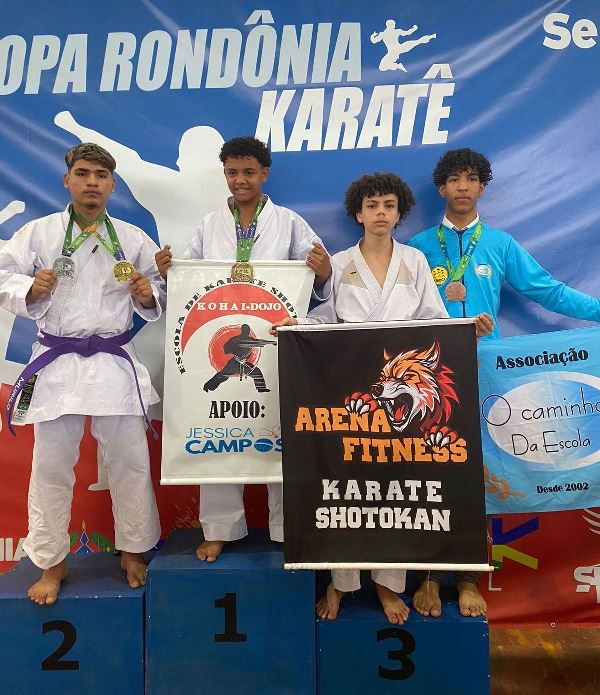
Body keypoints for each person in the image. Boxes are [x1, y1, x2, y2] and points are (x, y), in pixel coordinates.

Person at [271, 172, 493, 624]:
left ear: (399, 213)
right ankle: (340, 582)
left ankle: (388, 585)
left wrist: (465, 329)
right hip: (350, 393)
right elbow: (324, 319)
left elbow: (433, 321)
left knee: (394, 486)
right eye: (372, 205)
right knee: (345, 484)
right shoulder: (339, 263)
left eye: (389, 205)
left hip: (400, 401)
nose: (380, 213)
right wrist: (296, 328)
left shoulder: (414, 261)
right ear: (358, 213)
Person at [408, 147, 600, 618]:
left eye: (471, 178)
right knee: (431, 472)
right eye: (454, 179)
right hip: (430, 380)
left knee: (480, 475)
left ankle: (468, 578)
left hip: (484, 373)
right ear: (441, 188)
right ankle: (428, 575)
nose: (462, 187)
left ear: (482, 187)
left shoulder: (499, 244)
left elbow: (548, 291)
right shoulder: (417, 246)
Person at [155, 135, 332, 563]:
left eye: (249, 172)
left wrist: (324, 272)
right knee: (214, 427)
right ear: (224, 174)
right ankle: (220, 529)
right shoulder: (209, 224)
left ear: (264, 173)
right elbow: (188, 281)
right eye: (232, 172)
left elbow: (317, 282)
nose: (240, 180)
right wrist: (169, 272)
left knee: (279, 431)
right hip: (217, 337)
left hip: (273, 341)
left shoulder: (290, 223)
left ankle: (287, 528)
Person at [0, 143, 163, 605]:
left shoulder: (131, 237)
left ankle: (133, 551)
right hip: (59, 360)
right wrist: (30, 288)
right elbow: (3, 274)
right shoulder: (39, 232)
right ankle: (51, 561)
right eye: (84, 173)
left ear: (112, 185)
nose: (93, 182)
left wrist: (148, 294)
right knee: (51, 466)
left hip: (113, 358)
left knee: (130, 461)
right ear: (67, 180)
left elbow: (160, 287)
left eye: (101, 175)